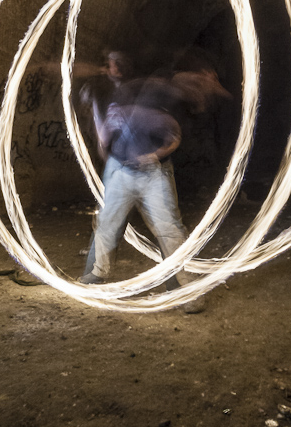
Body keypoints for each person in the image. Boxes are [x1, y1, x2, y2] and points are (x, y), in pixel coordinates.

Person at [79, 72, 206, 313]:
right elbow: (103, 141)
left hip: (154, 174)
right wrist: (96, 107)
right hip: (120, 171)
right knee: (107, 224)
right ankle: (95, 276)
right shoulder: (115, 107)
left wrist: (155, 155)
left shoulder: (158, 112)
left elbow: (174, 135)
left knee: (168, 228)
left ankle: (181, 288)